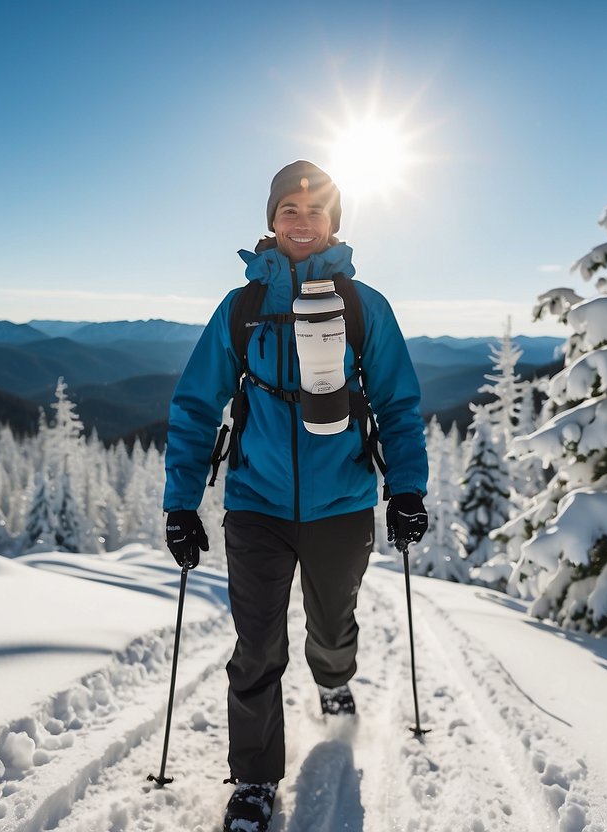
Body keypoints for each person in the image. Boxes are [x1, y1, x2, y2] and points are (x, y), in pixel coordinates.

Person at [163, 160, 428, 832]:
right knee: (256, 646)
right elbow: (198, 405)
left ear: (333, 221)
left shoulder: (364, 305)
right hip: (255, 503)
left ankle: (334, 677)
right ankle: (253, 780)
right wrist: (180, 502)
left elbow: (397, 404)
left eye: (315, 210)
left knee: (331, 622)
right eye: (289, 209)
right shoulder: (242, 308)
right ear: (271, 220)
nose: (301, 221)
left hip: (341, 503)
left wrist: (405, 490)